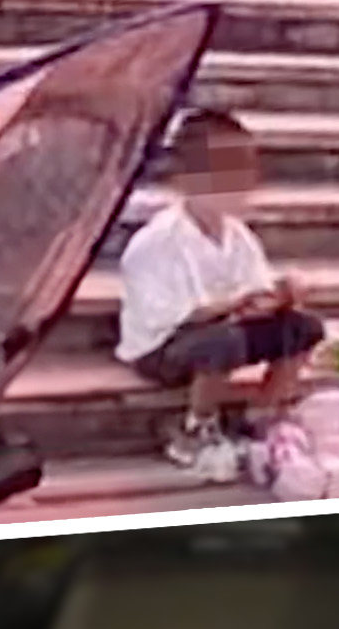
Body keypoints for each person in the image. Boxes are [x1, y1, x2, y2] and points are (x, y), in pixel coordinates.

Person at [116, 110, 326, 480]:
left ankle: (261, 416)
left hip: (222, 328)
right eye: (223, 172)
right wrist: (236, 305)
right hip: (161, 345)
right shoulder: (158, 240)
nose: (239, 183)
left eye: (243, 171)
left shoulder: (238, 235)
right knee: (223, 341)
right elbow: (172, 316)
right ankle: (195, 428)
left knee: (302, 327)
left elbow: (255, 290)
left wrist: (281, 297)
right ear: (187, 178)